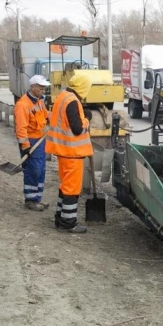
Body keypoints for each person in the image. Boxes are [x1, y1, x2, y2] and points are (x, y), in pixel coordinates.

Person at [45, 74, 94, 234]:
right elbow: (78, 129)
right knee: (72, 189)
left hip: (63, 151)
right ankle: (68, 222)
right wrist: (87, 119)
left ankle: (60, 217)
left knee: (65, 187)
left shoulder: (63, 96)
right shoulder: (73, 101)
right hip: (72, 153)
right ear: (83, 87)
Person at [14, 74, 50, 211]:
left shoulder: (39, 101)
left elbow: (46, 115)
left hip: (40, 140)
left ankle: (37, 199)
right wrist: (25, 146)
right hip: (31, 142)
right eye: (41, 87)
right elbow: (21, 128)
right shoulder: (23, 104)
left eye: (44, 87)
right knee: (32, 170)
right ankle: (30, 200)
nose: (43, 90)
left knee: (40, 170)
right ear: (33, 87)